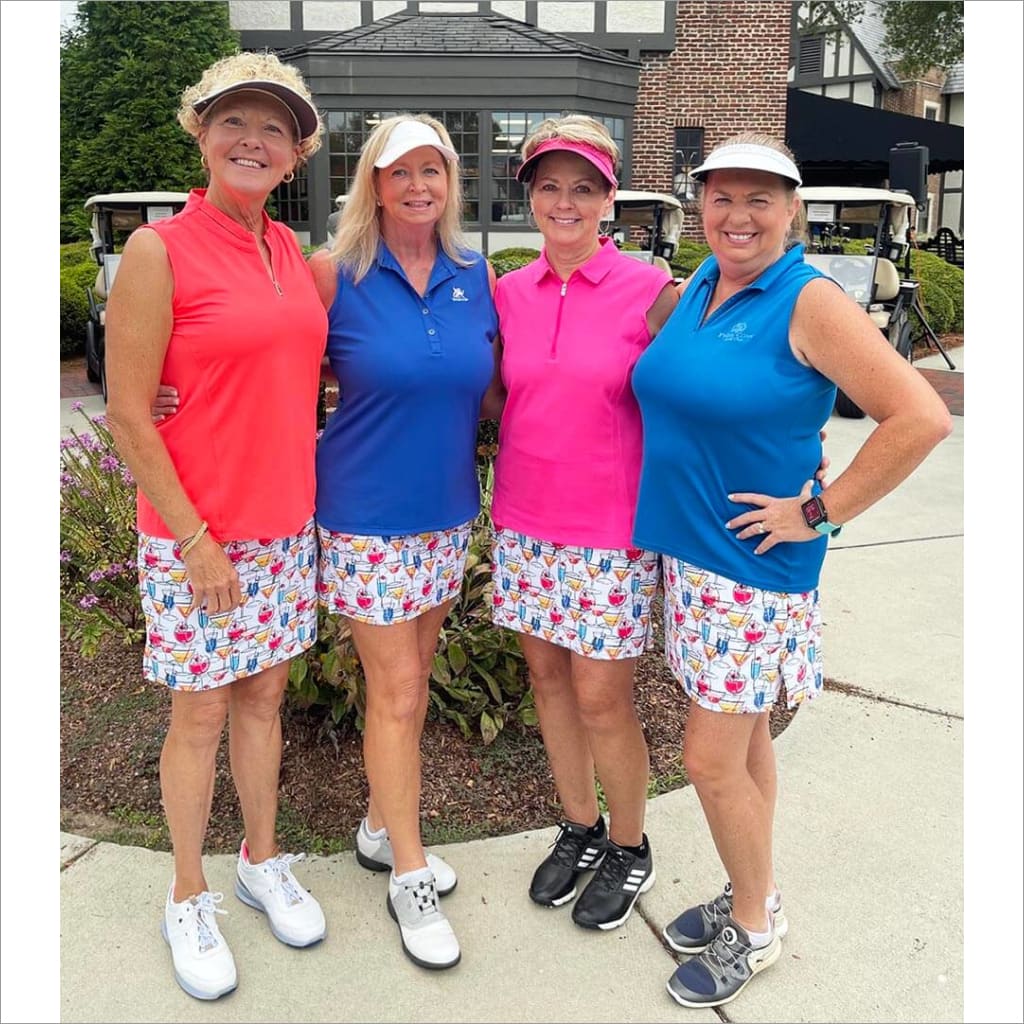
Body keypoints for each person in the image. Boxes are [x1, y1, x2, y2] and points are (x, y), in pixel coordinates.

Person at [629, 132, 953, 1008]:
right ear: (700, 205)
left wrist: (820, 508)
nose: (737, 216)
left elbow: (920, 416)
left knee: (707, 761)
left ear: (793, 211)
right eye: (721, 197)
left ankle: (757, 930)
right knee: (745, 747)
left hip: (751, 569)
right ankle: (752, 891)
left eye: (759, 199)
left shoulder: (807, 300)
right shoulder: (704, 281)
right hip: (693, 559)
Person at [104, 52, 328, 1001]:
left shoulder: (289, 254)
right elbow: (125, 411)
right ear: (201, 132)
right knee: (198, 711)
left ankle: (260, 857)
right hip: (196, 536)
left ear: (295, 156)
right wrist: (195, 541)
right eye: (234, 120)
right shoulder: (161, 248)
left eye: (273, 128)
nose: (253, 138)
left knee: (263, 703)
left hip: (285, 527)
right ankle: (187, 891)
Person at [308, 114, 499, 970]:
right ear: (372, 185)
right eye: (400, 172)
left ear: (450, 183)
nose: (419, 185)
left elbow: (497, 387)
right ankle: (410, 875)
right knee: (394, 692)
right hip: (365, 515)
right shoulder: (333, 275)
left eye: (434, 170)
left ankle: (382, 828)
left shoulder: (475, 272)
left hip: (449, 511)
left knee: (412, 684)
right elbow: (271, 370)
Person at [487, 116, 679, 930]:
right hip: (524, 521)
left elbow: (709, 389)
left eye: (584, 187)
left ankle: (630, 846)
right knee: (547, 682)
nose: (565, 201)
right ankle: (578, 825)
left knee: (604, 698)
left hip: (610, 531)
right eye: (549, 185)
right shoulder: (506, 293)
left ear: (609, 199)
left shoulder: (654, 291)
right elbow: (491, 394)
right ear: (529, 195)